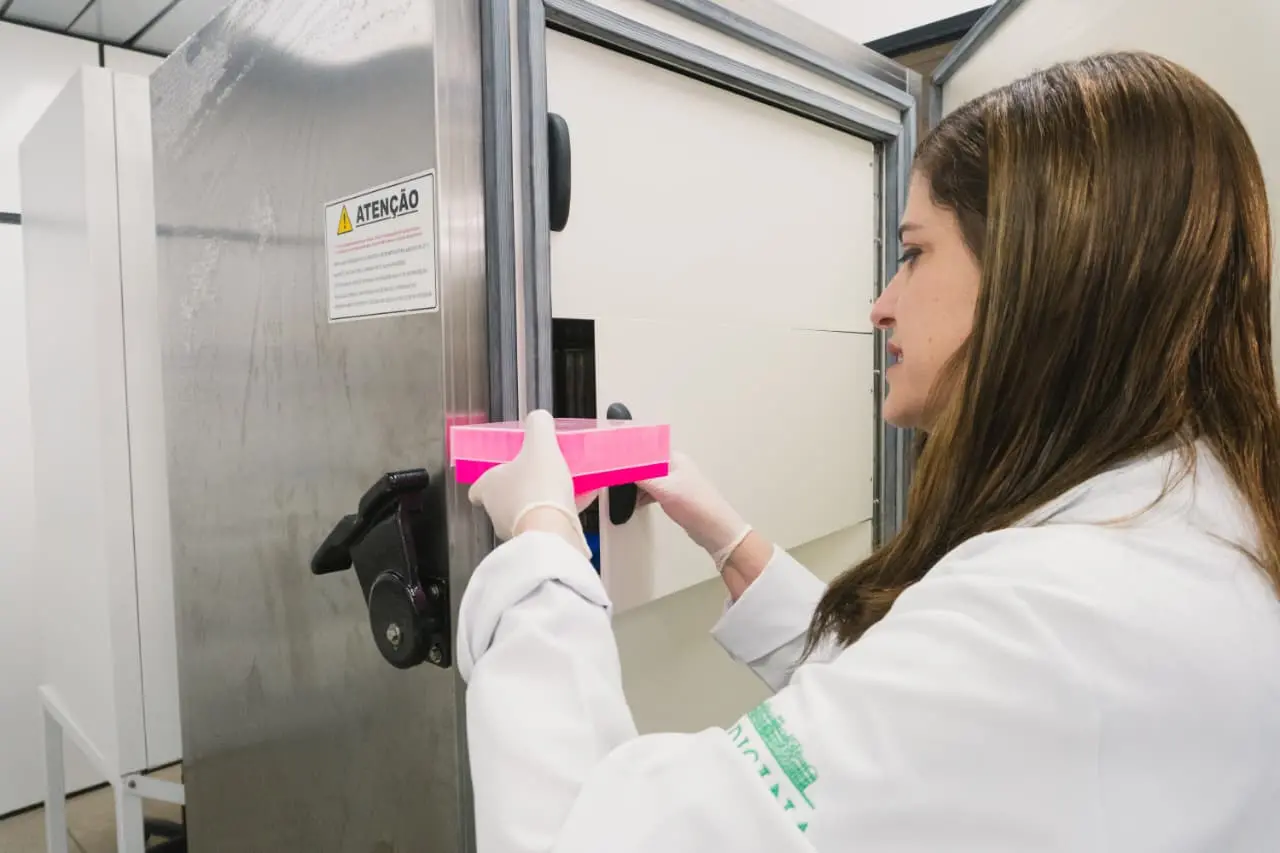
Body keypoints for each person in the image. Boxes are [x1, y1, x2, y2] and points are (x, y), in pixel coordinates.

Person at [457, 51, 1280, 852]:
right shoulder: (1191, 533)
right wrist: (728, 537)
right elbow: (914, 720)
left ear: (1038, 281)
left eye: (914, 253)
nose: (881, 304)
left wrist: (543, 546)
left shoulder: (1053, 624)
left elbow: (575, 836)